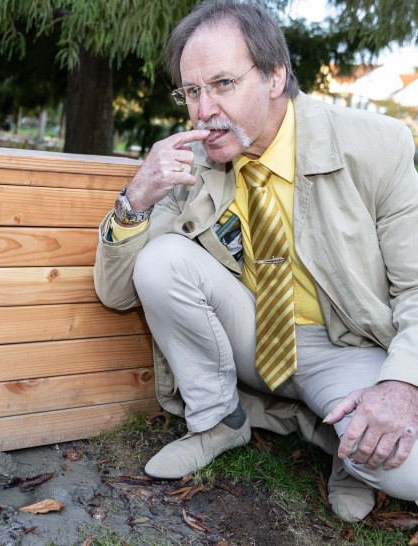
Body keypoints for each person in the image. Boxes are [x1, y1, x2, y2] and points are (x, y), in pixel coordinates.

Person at [94, 0, 418, 522]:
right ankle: (219, 421)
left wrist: (402, 387)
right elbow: (117, 293)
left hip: (347, 348)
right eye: (191, 91)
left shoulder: (377, 147)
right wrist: (137, 198)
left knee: (409, 468)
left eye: (223, 84)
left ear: (274, 77)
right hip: (254, 335)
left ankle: (342, 445)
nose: (203, 110)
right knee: (160, 259)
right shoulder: (191, 166)